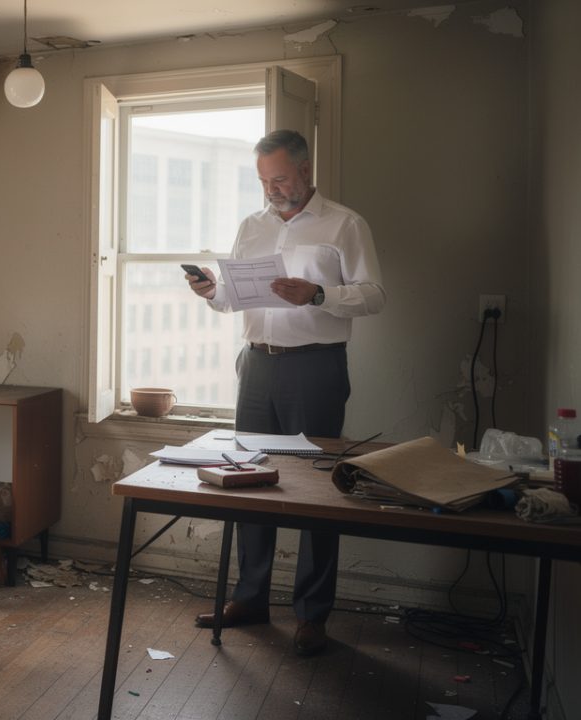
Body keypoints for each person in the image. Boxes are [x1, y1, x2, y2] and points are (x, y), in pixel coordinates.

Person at [185, 129, 386, 657]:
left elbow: (373, 295)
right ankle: (250, 598)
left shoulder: (345, 223)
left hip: (316, 366)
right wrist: (212, 291)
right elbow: (233, 299)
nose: (271, 190)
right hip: (257, 366)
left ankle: (312, 615)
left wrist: (318, 293)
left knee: (318, 491)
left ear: (304, 170)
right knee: (246, 478)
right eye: (263, 181)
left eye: (279, 179)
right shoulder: (251, 227)